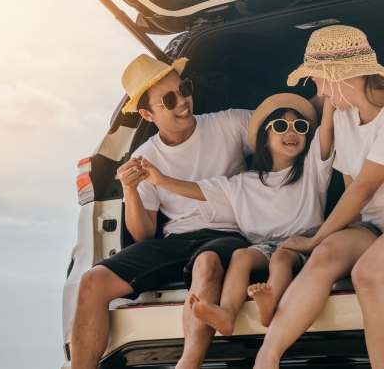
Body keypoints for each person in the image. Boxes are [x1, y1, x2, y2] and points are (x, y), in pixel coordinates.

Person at [70, 54, 254, 369]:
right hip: (175, 241)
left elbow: (287, 125)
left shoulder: (231, 123)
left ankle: (188, 364)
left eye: (184, 88)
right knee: (91, 281)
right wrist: (130, 191)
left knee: (207, 263)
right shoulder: (145, 155)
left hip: (229, 234)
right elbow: (144, 235)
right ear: (147, 113)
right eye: (170, 99)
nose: (183, 100)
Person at [139, 93, 335, 337]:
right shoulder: (243, 182)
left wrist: (329, 89)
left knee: (281, 259)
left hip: (303, 245)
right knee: (241, 256)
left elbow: (327, 126)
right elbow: (201, 191)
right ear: (263, 139)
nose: (292, 132)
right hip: (262, 247)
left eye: (300, 126)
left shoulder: (313, 168)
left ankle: (270, 306)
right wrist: (161, 180)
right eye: (281, 126)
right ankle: (227, 314)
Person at [253, 25, 384, 369]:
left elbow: (363, 187)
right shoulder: (343, 118)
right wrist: (321, 243)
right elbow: (355, 196)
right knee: (324, 256)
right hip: (374, 223)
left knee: (367, 274)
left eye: (318, 80)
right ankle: (266, 360)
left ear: (341, 75)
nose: (319, 90)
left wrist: (314, 238)